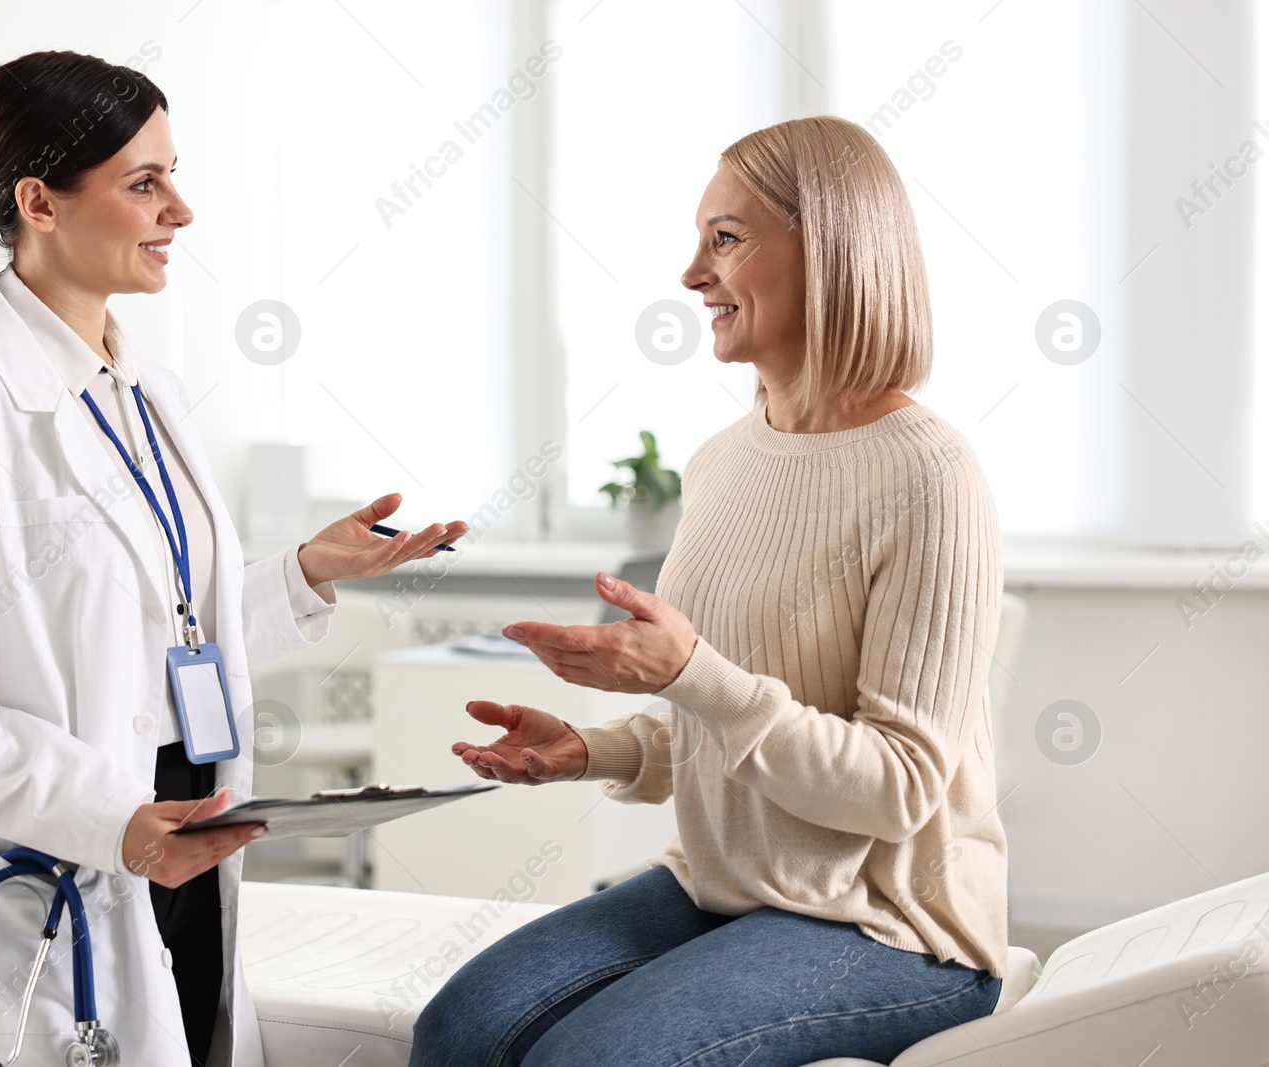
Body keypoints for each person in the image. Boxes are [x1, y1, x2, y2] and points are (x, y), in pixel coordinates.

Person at [0, 50, 467, 1067]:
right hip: (70, 852)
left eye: (172, 175)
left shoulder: (146, 390)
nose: (179, 210)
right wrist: (111, 820)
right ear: (39, 202)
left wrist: (302, 573)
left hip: (187, 829)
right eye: (144, 183)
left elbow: (157, 637)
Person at [413, 116, 1006, 1066]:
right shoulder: (725, 461)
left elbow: (896, 786)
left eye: (725, 240)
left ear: (833, 249)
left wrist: (691, 670)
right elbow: (735, 724)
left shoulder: (928, 475)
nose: (692, 275)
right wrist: (592, 751)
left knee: (592, 1061)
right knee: (458, 1029)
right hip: (724, 886)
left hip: (893, 924)